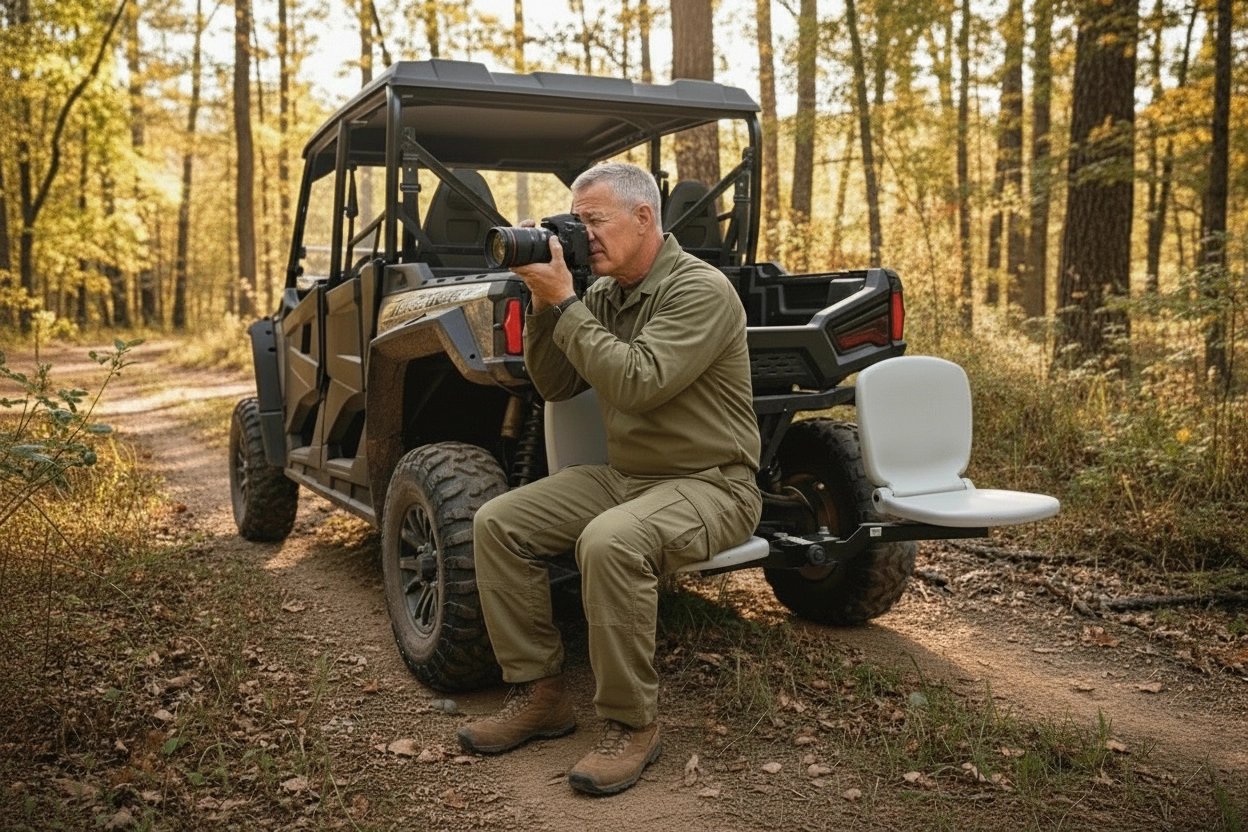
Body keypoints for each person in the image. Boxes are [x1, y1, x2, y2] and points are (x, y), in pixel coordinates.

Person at [457, 162, 762, 796]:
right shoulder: (603, 294)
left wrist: (566, 302)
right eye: (577, 223)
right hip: (631, 476)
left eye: (594, 221)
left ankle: (632, 725)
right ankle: (540, 694)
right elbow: (553, 384)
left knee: (609, 541)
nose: (583, 235)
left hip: (714, 484)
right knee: (499, 522)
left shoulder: (699, 289)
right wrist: (544, 301)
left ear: (644, 218)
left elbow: (637, 382)